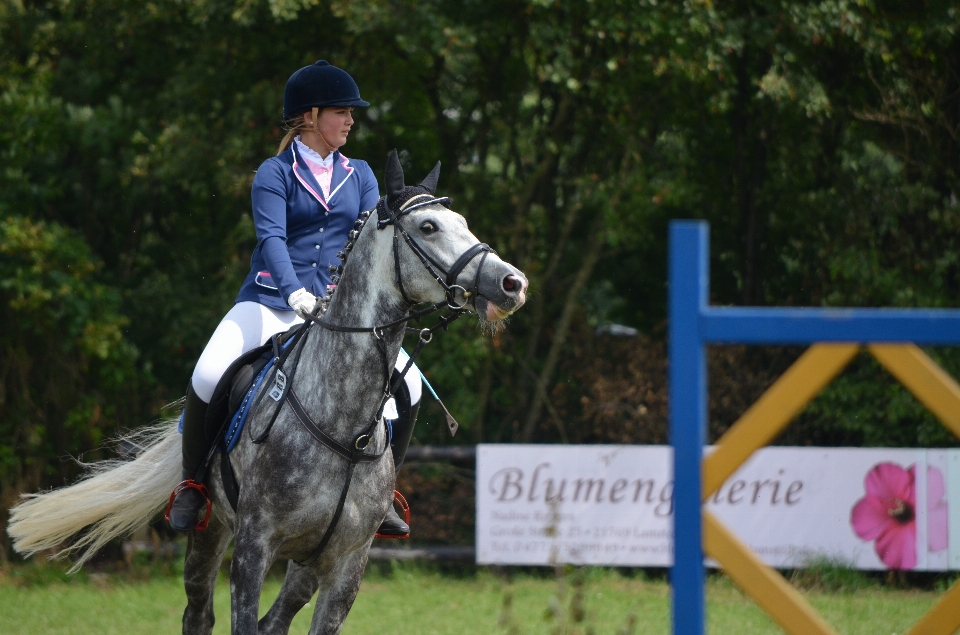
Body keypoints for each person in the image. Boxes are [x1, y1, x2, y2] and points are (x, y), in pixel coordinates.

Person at [167, 60, 419, 537]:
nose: (350, 120)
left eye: (351, 113)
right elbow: (272, 240)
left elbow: (367, 246)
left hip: (338, 314)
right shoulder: (274, 172)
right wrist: (294, 293)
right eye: (342, 111)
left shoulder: (360, 174)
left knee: (412, 385)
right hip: (269, 301)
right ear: (310, 115)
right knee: (206, 373)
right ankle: (192, 486)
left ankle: (383, 492)